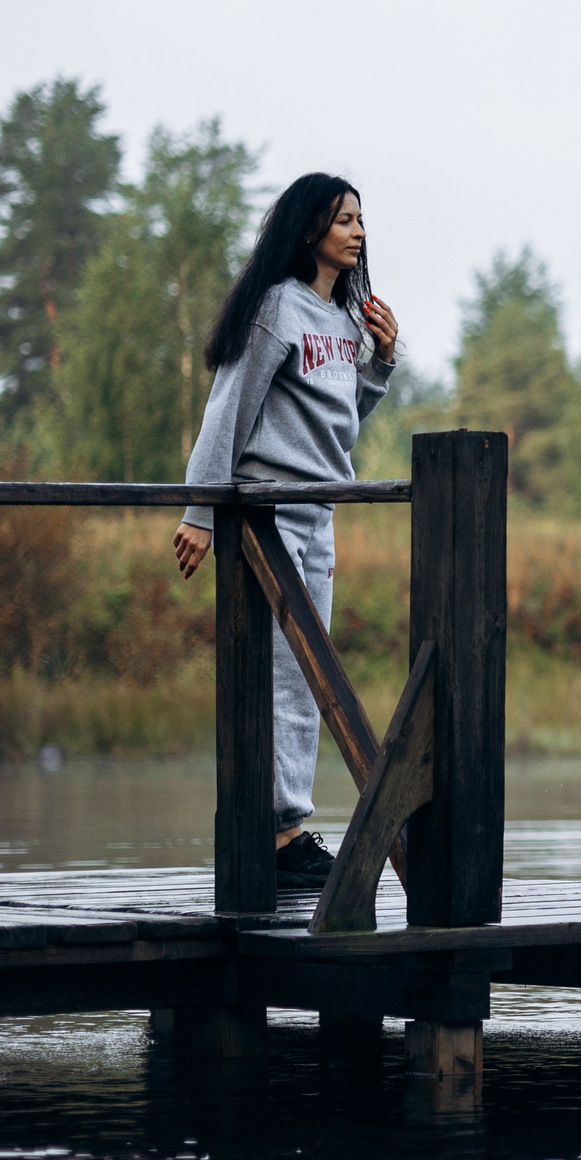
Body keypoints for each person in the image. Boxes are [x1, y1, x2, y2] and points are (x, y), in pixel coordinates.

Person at [171, 173, 399, 887]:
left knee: (307, 678)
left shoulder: (343, 322)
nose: (357, 231)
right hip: (265, 517)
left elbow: (341, 426)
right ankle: (275, 829)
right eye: (342, 220)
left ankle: (285, 828)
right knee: (275, 673)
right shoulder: (278, 308)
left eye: (360, 219)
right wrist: (201, 511)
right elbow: (227, 410)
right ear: (310, 231)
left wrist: (381, 361)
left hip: (319, 513)